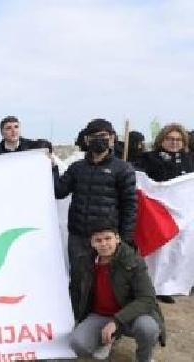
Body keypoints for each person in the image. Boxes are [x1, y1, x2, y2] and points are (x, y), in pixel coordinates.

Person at [69, 223, 165, 362]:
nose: (104, 244)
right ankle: (107, 339)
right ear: (92, 243)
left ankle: (144, 358)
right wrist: (77, 318)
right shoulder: (84, 261)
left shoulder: (133, 260)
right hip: (99, 314)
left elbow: (147, 298)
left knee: (147, 328)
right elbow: (75, 291)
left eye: (108, 238)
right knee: (78, 344)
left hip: (131, 315)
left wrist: (116, 321)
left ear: (117, 238)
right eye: (98, 240)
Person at [53, 119, 137, 273]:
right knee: (79, 281)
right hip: (79, 236)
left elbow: (129, 206)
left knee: (107, 281)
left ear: (112, 138)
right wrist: (52, 168)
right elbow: (59, 192)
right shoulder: (76, 167)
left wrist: (125, 238)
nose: (99, 140)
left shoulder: (123, 169)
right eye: (93, 137)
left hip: (107, 238)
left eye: (103, 135)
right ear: (86, 140)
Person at [134, 124, 193, 304]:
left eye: (178, 140)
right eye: (170, 139)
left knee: (183, 248)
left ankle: (180, 283)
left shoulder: (190, 159)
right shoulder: (148, 159)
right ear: (162, 140)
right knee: (161, 250)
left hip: (185, 212)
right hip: (159, 212)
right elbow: (141, 179)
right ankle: (158, 286)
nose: (174, 143)